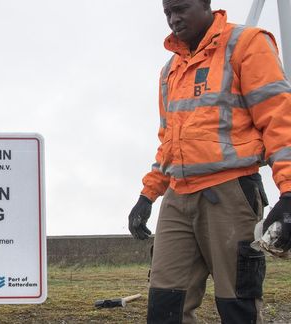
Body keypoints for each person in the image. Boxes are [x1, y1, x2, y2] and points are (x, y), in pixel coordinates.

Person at [127, 0, 291, 323]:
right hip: (178, 197)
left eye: (181, 8)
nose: (174, 19)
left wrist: (289, 193)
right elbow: (168, 144)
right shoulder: (169, 71)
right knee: (164, 308)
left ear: (206, 4)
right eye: (167, 12)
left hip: (230, 193)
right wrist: (147, 196)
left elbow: (279, 119)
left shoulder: (246, 45)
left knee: (237, 306)